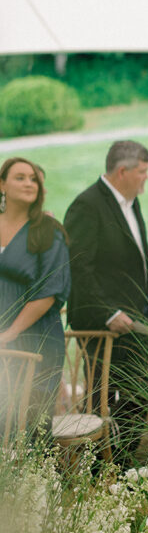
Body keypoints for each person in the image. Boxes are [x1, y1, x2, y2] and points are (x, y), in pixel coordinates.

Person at [64, 140, 148, 466]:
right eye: (142, 172)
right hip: (106, 327)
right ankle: (103, 472)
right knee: (108, 401)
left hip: (135, 322)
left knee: (137, 396)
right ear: (123, 171)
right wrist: (109, 314)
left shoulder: (130, 202)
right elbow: (78, 266)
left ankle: (121, 471)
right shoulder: (87, 206)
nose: (147, 178)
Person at [0, 156, 70, 429]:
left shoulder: (47, 231)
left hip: (35, 338)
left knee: (29, 422)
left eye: (33, 179)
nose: (30, 183)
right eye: (20, 177)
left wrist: (9, 333)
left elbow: (49, 291)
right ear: (2, 184)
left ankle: (34, 474)